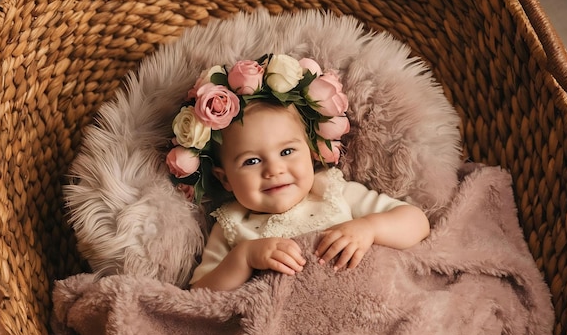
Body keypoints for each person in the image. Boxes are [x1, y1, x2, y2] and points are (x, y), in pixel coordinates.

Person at [164, 54, 430, 291]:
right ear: (225, 179)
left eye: (287, 152)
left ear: (312, 153)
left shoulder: (332, 191)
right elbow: (200, 292)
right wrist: (244, 258)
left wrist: (369, 228)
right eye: (252, 161)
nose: (274, 170)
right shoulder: (233, 224)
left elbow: (417, 222)